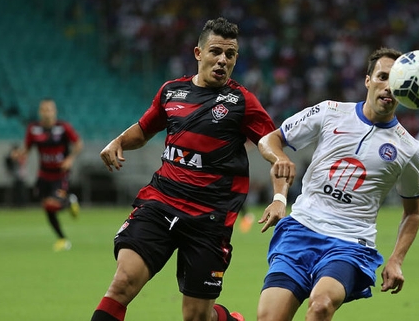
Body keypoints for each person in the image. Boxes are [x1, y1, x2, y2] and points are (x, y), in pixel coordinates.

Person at [91, 17, 276, 321]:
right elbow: (144, 128)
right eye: (215, 51)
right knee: (122, 282)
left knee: (196, 316)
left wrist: (277, 161)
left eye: (229, 55)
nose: (222, 60)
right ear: (198, 53)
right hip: (160, 202)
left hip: (208, 218)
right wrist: (119, 142)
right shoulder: (171, 92)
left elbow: (269, 141)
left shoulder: (242, 102)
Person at [255, 47, 419, 321]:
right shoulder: (329, 111)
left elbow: (413, 212)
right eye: (382, 77)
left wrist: (396, 259)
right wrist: (279, 186)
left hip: (350, 243)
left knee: (321, 305)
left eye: (397, 82)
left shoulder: (410, 150)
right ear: (368, 80)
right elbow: (270, 140)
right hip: (300, 230)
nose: (388, 87)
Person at [15, 98, 83, 251]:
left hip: (60, 174)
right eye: (44, 110)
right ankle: (62, 239)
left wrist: (70, 159)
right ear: (40, 112)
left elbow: (78, 143)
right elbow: (26, 148)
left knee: (53, 203)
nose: (47, 113)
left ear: (55, 112)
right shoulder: (33, 129)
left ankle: (70, 200)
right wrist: (19, 154)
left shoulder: (63, 128)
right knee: (47, 207)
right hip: (43, 175)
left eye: (49, 109)